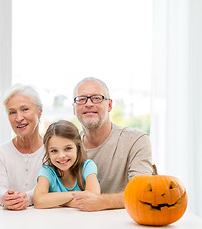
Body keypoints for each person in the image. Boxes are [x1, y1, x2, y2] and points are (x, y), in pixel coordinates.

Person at [71, 77, 153, 211]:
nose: (89, 104)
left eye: (96, 98)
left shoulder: (136, 140)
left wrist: (100, 202)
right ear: (74, 109)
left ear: (109, 105)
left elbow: (142, 192)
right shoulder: (66, 149)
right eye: (81, 99)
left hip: (126, 226)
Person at [0, 84, 44, 211]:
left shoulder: (54, 151)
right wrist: (5, 198)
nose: (18, 118)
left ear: (39, 112)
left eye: (25, 109)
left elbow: (51, 187)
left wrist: (27, 197)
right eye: (12, 112)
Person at [33, 120, 100, 209]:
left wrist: (56, 201)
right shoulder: (47, 171)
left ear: (78, 147)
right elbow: (39, 201)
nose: (61, 156)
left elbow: (93, 198)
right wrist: (78, 196)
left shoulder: (87, 166)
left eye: (67, 148)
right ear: (48, 152)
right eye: (54, 151)